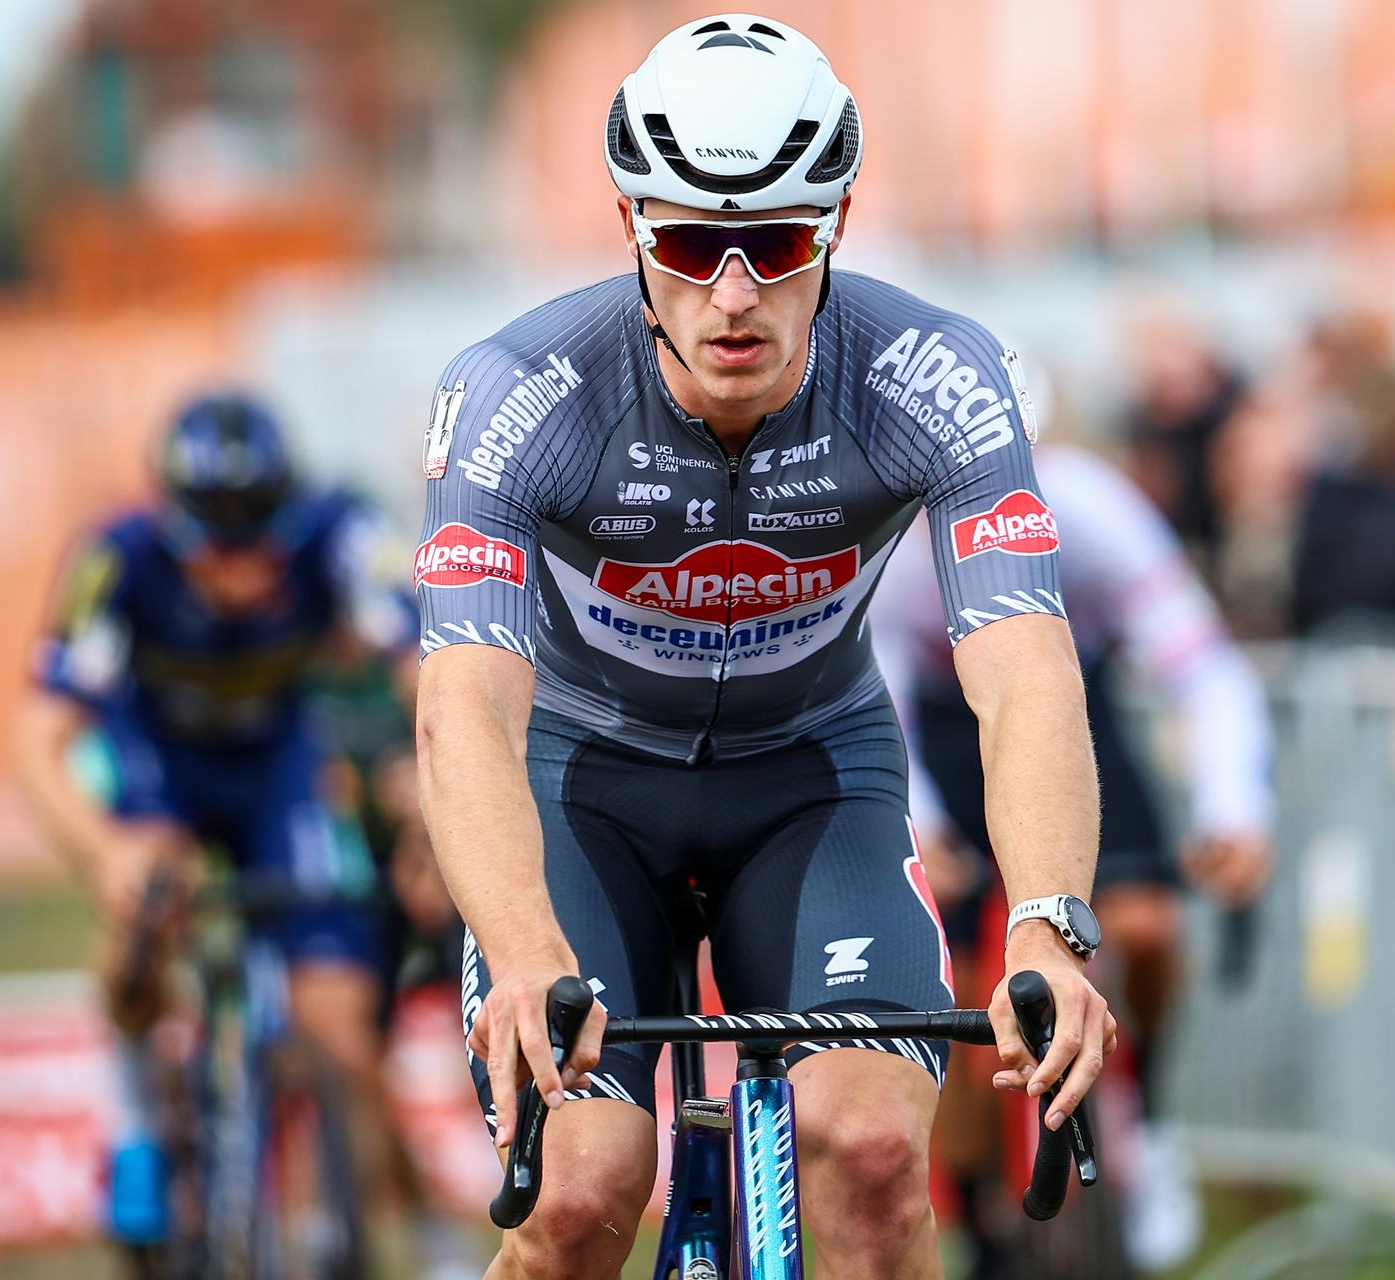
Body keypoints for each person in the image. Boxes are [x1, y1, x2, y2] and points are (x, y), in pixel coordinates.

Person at [413, 15, 1116, 1280]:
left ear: (837, 222)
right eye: (689, 244)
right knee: (576, 1198)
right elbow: (462, 705)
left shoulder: (935, 376)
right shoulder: (521, 394)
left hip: (812, 782)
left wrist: (1050, 927)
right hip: (586, 791)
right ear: (633, 224)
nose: (733, 295)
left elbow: (1023, 668)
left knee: (877, 1157)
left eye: (778, 244)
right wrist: (521, 949)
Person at [13, 393, 419, 1254]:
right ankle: (135, 1125)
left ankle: (328, 1225)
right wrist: (105, 849)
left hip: (277, 766)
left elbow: (428, 663)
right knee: (145, 902)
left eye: (257, 540)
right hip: (157, 765)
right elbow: (37, 736)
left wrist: (431, 782)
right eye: (216, 545)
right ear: (173, 522)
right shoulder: (114, 560)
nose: (239, 570)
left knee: (340, 1021)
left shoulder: (338, 531)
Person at [873, 442, 1276, 1273]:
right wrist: (915, 818)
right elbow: (880, 697)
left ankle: (1149, 1118)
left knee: (1148, 927)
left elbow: (1202, 668)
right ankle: (984, 1220)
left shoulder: (1089, 505)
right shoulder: (893, 537)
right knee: (966, 984)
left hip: (1066, 708)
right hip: (942, 730)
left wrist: (1232, 806)